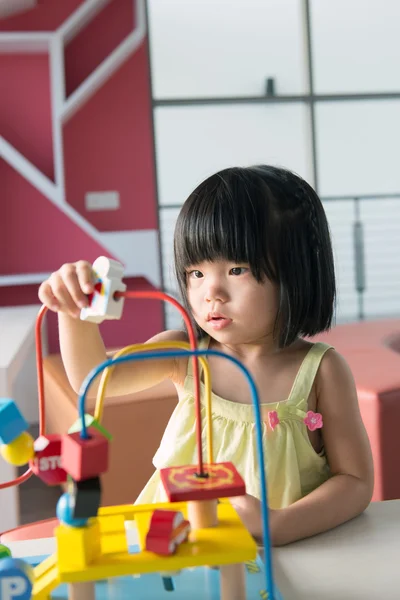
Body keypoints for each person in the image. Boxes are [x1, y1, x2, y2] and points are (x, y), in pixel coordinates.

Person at [38, 165, 374, 546]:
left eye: (236, 269)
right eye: (195, 273)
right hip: (176, 548)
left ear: (297, 272)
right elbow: (94, 381)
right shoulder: (185, 353)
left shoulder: (320, 371)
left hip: (285, 557)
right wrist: (74, 311)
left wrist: (277, 524)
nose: (211, 292)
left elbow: (355, 482)